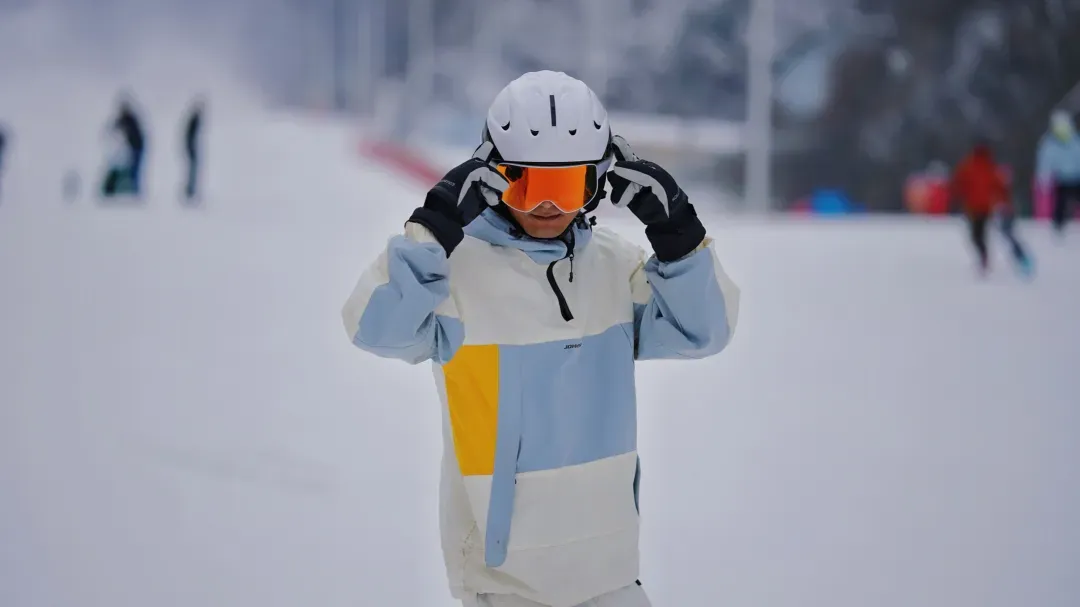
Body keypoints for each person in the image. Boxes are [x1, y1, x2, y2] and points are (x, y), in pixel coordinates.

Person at [341, 71, 740, 607]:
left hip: (611, 573)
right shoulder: (455, 275)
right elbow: (375, 329)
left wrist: (679, 234)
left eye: (568, 186)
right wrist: (431, 231)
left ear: (599, 181)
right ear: (489, 175)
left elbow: (704, 330)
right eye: (525, 184)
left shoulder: (616, 268)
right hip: (506, 583)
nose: (546, 205)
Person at [952, 141, 1031, 276]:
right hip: (982, 207)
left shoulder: (975, 166)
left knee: (978, 235)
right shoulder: (986, 167)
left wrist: (957, 198)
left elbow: (959, 184)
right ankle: (987, 257)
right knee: (983, 235)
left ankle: (987, 257)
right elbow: (999, 187)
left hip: (981, 208)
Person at [1036, 109, 1080, 235]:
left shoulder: (1076, 142)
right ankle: (1058, 226)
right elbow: (1045, 164)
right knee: (1061, 202)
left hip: (1077, 178)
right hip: (1062, 180)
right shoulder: (1050, 145)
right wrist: (1044, 180)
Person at [102, 96, 146, 197]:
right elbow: (116, 126)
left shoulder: (130, 119)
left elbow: (131, 132)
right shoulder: (127, 119)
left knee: (135, 170)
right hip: (133, 148)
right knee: (132, 170)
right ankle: (134, 190)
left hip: (136, 148)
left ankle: (135, 191)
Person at [181, 97, 204, 202]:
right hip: (191, 146)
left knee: (192, 169)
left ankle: (190, 190)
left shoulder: (193, 119)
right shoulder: (195, 119)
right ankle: (190, 191)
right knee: (192, 169)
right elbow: (190, 136)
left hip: (191, 146)